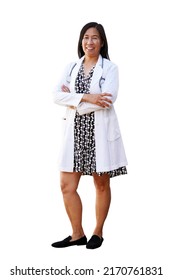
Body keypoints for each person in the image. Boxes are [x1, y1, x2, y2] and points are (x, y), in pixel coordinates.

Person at [51, 22, 128, 249]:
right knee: (66, 185)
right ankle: (77, 234)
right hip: (74, 134)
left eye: (95, 38)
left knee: (101, 184)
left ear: (102, 42)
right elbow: (55, 95)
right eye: (86, 37)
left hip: (99, 134)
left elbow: (107, 100)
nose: (90, 42)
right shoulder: (71, 67)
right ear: (81, 41)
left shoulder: (110, 68)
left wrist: (74, 99)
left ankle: (98, 232)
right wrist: (87, 97)